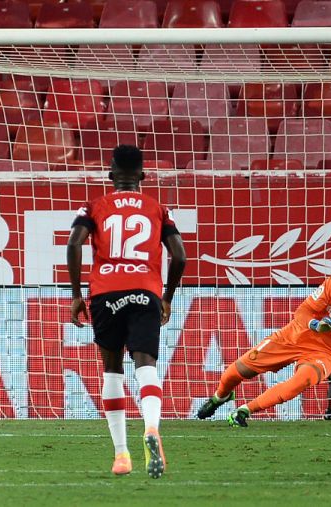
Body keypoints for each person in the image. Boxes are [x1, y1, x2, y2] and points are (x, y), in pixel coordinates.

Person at [197, 242, 331, 427]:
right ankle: (220, 397)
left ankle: (244, 411)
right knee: (234, 373)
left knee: (300, 381)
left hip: (326, 354)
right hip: (295, 335)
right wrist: (317, 325)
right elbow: (302, 312)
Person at [67, 145, 187, 479]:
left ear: (111, 174)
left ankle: (121, 454)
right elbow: (179, 255)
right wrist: (166, 297)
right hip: (145, 291)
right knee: (145, 365)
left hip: (106, 292)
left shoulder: (95, 206)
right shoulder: (158, 208)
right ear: (142, 176)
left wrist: (76, 295)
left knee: (112, 370)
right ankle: (151, 427)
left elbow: (74, 243)